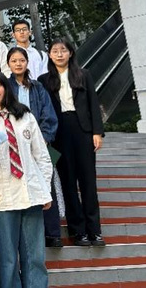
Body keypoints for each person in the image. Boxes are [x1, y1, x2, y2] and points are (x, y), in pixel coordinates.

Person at [0, 70, 53, 288]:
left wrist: (45, 190)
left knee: (35, 258)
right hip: (1, 199)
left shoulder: (25, 116)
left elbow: (42, 156)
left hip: (31, 194)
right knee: (8, 260)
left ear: (6, 87)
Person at [38, 38, 105, 247]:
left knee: (88, 182)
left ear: (70, 53)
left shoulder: (84, 75)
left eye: (63, 50)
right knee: (67, 182)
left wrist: (97, 132)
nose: (59, 54)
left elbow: (93, 103)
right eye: (55, 51)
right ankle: (78, 231)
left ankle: (95, 230)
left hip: (83, 129)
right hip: (59, 132)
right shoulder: (44, 80)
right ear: (49, 55)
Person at [5, 47, 62, 247]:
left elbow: (49, 114)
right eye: (14, 60)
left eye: (21, 60)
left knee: (46, 183)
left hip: (40, 143)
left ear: (27, 62)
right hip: (15, 143)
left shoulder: (38, 87)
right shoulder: (6, 87)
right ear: (8, 64)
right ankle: (28, 235)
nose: (18, 64)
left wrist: (44, 138)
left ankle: (53, 233)